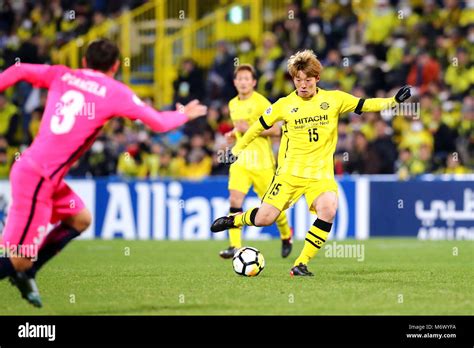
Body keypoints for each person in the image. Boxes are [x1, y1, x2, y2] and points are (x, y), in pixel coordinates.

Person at [0, 39, 207, 307]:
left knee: (80, 219)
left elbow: (17, 71)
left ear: (85, 61)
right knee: (18, 257)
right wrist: (184, 116)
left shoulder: (63, 73)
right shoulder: (115, 92)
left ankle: (28, 272)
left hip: (40, 172)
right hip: (39, 177)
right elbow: (158, 122)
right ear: (116, 66)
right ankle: (24, 268)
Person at [211, 50, 411, 276]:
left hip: (320, 175)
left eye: (307, 80)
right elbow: (258, 126)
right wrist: (237, 149)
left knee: (329, 209)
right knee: (265, 218)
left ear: (317, 78)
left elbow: (366, 105)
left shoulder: (334, 99)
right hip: (289, 174)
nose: (302, 85)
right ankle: (235, 220)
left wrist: (393, 101)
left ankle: (301, 263)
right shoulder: (284, 104)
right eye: (298, 80)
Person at [219, 64, 293, 259]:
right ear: (235, 83)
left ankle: (286, 235)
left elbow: (277, 130)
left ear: (253, 82)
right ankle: (234, 246)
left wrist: (249, 127)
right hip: (241, 161)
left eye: (247, 79)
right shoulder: (232, 104)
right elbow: (240, 130)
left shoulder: (261, 102)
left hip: (262, 163)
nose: (243, 82)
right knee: (235, 201)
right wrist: (233, 134)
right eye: (239, 79)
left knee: (274, 206)